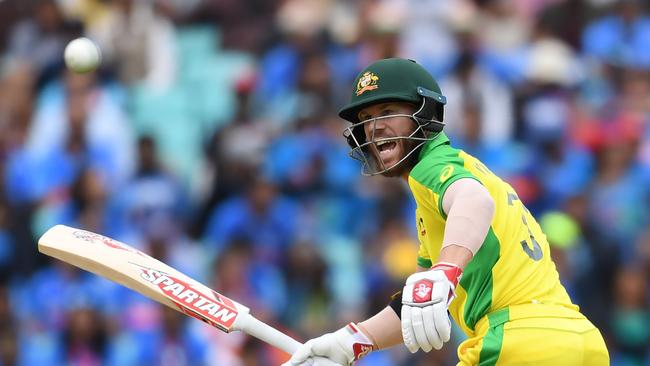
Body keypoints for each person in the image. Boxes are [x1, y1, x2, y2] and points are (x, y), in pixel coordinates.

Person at [283, 58, 609, 365]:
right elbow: (418, 304)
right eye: (366, 120)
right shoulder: (448, 187)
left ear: (425, 114)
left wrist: (445, 272)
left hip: (516, 340)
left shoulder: (432, 167)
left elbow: (474, 201)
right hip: (580, 340)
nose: (374, 128)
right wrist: (351, 341)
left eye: (387, 111)